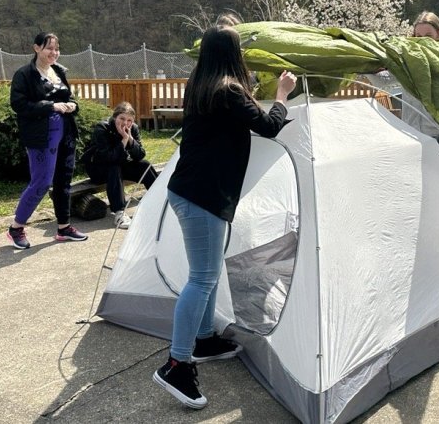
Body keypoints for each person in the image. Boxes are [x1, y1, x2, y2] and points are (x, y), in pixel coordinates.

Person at [152, 25, 296, 409]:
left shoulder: (202, 86)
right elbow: (267, 125)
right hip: (203, 197)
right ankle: (177, 364)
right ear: (233, 54)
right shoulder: (229, 90)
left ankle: (203, 339)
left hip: (191, 192)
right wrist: (282, 94)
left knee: (209, 271)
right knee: (201, 279)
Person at [7, 32, 88, 249]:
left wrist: (72, 105)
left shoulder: (59, 71)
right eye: (49, 48)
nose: (54, 52)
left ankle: (64, 228)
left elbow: (68, 98)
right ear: (36, 48)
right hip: (41, 137)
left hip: (66, 133)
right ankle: (16, 228)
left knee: (64, 181)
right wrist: (50, 106)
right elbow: (19, 105)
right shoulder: (24, 74)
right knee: (41, 182)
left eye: (57, 48)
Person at [82, 102, 158, 229]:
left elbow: (140, 155)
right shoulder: (102, 128)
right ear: (114, 117)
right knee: (114, 166)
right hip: (98, 169)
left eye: (129, 120)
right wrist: (123, 139)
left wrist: (131, 140)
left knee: (145, 165)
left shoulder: (132, 128)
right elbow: (108, 157)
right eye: (122, 118)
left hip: (119, 165)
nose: (125, 123)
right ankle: (119, 212)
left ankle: (161, 200)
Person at [405, 11, 439, 162]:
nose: (422, 41)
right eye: (418, 37)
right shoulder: (406, 61)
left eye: (428, 36)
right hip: (412, 136)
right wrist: (372, 64)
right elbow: (383, 81)